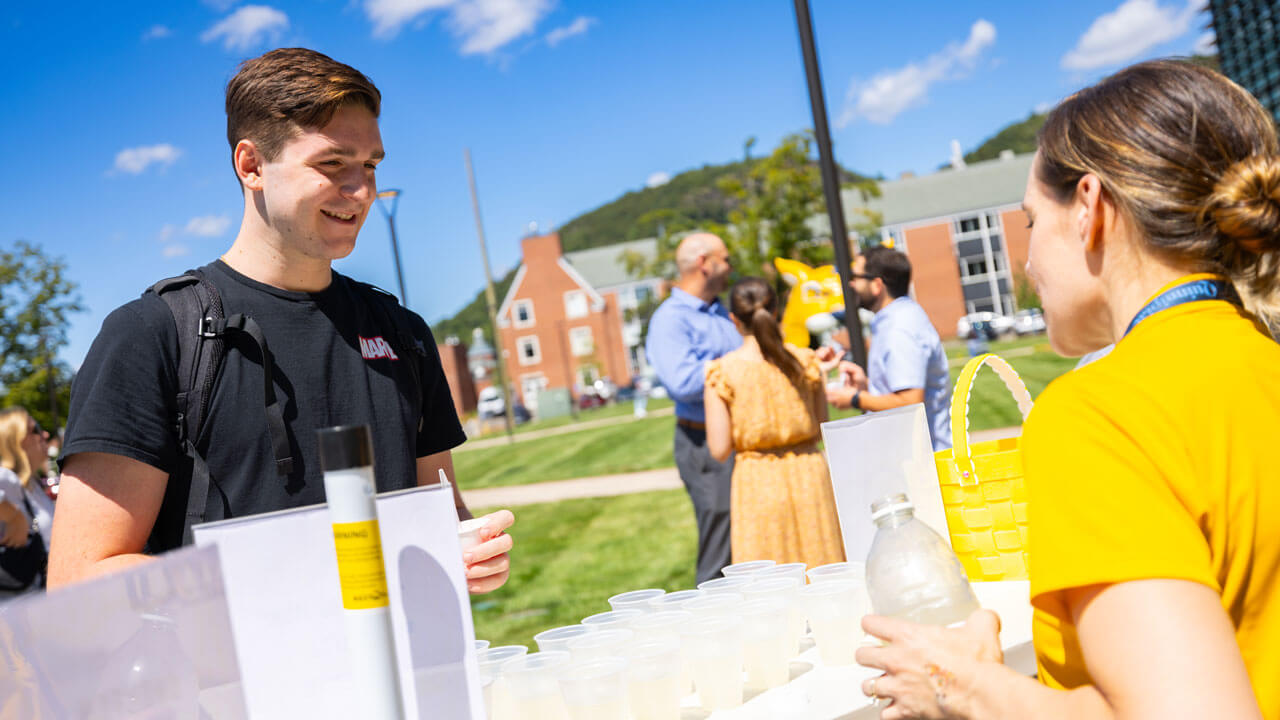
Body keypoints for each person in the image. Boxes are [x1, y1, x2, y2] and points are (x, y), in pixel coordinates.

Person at [853, 59, 1280, 719]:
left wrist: (958, 689)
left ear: (1090, 208)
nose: (1027, 260)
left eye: (1029, 222)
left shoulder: (1100, 414)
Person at [49, 48, 513, 595]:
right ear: (251, 166)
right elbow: (81, 581)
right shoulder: (153, 335)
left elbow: (441, 513)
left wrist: (466, 548)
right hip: (230, 681)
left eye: (370, 165)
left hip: (407, 676)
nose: (361, 191)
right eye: (332, 164)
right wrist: (307, 579)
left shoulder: (402, 333)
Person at [704, 277, 844, 567]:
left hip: (757, 481)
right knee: (822, 569)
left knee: (769, 581)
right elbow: (820, 426)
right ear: (776, 311)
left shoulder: (722, 372)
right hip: (810, 477)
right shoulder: (805, 361)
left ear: (734, 320)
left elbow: (719, 449)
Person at [645, 232, 741, 583]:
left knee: (748, 537)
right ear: (705, 263)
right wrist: (737, 364)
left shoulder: (721, 312)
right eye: (726, 258)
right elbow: (682, 382)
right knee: (720, 543)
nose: (730, 266)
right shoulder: (670, 319)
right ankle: (715, 625)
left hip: (740, 439)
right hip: (702, 445)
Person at [823, 247, 952, 451]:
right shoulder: (896, 320)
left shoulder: (899, 329)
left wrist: (856, 399)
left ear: (876, 285)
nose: (851, 284)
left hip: (923, 464)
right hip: (915, 459)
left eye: (855, 276)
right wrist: (867, 386)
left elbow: (910, 402)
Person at [0, 408, 55, 596]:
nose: (45, 434)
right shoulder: (7, 479)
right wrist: (15, 518)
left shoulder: (32, 485)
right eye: (36, 429)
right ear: (17, 441)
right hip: (21, 607)